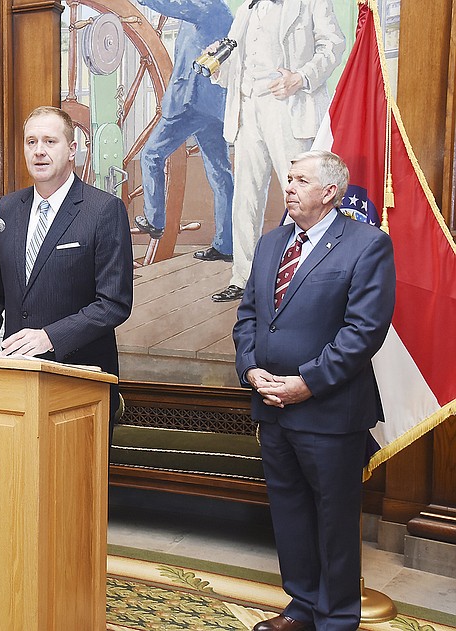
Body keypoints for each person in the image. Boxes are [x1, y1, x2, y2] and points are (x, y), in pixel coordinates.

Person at [232, 151, 395, 631]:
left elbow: (364, 331)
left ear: (330, 192)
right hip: (272, 407)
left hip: (329, 411)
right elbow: (248, 316)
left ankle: (337, 619)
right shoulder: (270, 243)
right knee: (290, 516)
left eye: (301, 180)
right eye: (288, 178)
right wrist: (251, 370)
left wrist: (308, 382)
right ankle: (301, 608)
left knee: (335, 521)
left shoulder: (367, 244)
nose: (289, 186)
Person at [0, 105, 134, 429]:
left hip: (78, 388)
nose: (39, 151)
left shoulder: (103, 210)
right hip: (15, 384)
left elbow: (114, 303)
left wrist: (50, 337)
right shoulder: (8, 208)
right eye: (31, 142)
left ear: (72, 149)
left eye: (49, 142)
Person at [209, 0, 345, 302]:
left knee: (303, 193)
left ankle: (307, 275)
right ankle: (243, 277)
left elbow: (333, 44)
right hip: (247, 108)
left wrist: (301, 77)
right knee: (245, 196)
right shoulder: (245, 9)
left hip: (289, 107)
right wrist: (217, 65)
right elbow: (236, 61)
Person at [133, 0, 235, 263]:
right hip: (214, 106)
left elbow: (170, 6)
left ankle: (155, 221)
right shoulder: (221, 11)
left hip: (190, 104)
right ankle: (226, 244)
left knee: (151, 155)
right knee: (220, 174)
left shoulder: (206, 8)